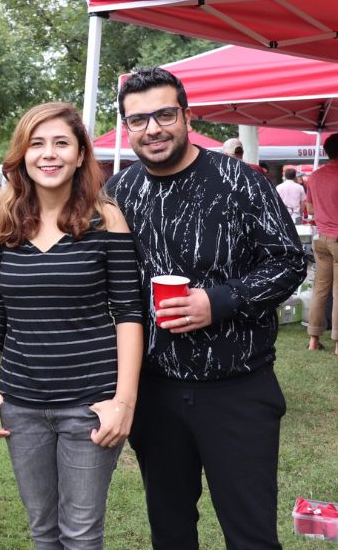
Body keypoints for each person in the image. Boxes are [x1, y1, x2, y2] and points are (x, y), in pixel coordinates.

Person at [106, 67, 306, 550]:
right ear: (127, 128)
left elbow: (288, 261)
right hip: (155, 393)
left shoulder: (241, 181)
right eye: (138, 120)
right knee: (170, 531)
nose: (152, 128)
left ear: (186, 115)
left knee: (251, 534)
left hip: (237, 390)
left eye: (164, 114)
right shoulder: (119, 192)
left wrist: (218, 301)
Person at [0, 102, 143, 549]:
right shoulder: (4, 221)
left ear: (80, 155)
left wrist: (122, 402)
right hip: (22, 405)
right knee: (42, 530)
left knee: (82, 534)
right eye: (37, 144)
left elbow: (129, 312)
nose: (48, 154)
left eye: (61, 143)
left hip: (89, 405)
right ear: (23, 155)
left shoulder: (106, 219)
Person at [305, 133, 338, 355]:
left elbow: (311, 210)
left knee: (320, 289)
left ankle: (314, 340)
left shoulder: (314, 177)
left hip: (321, 237)